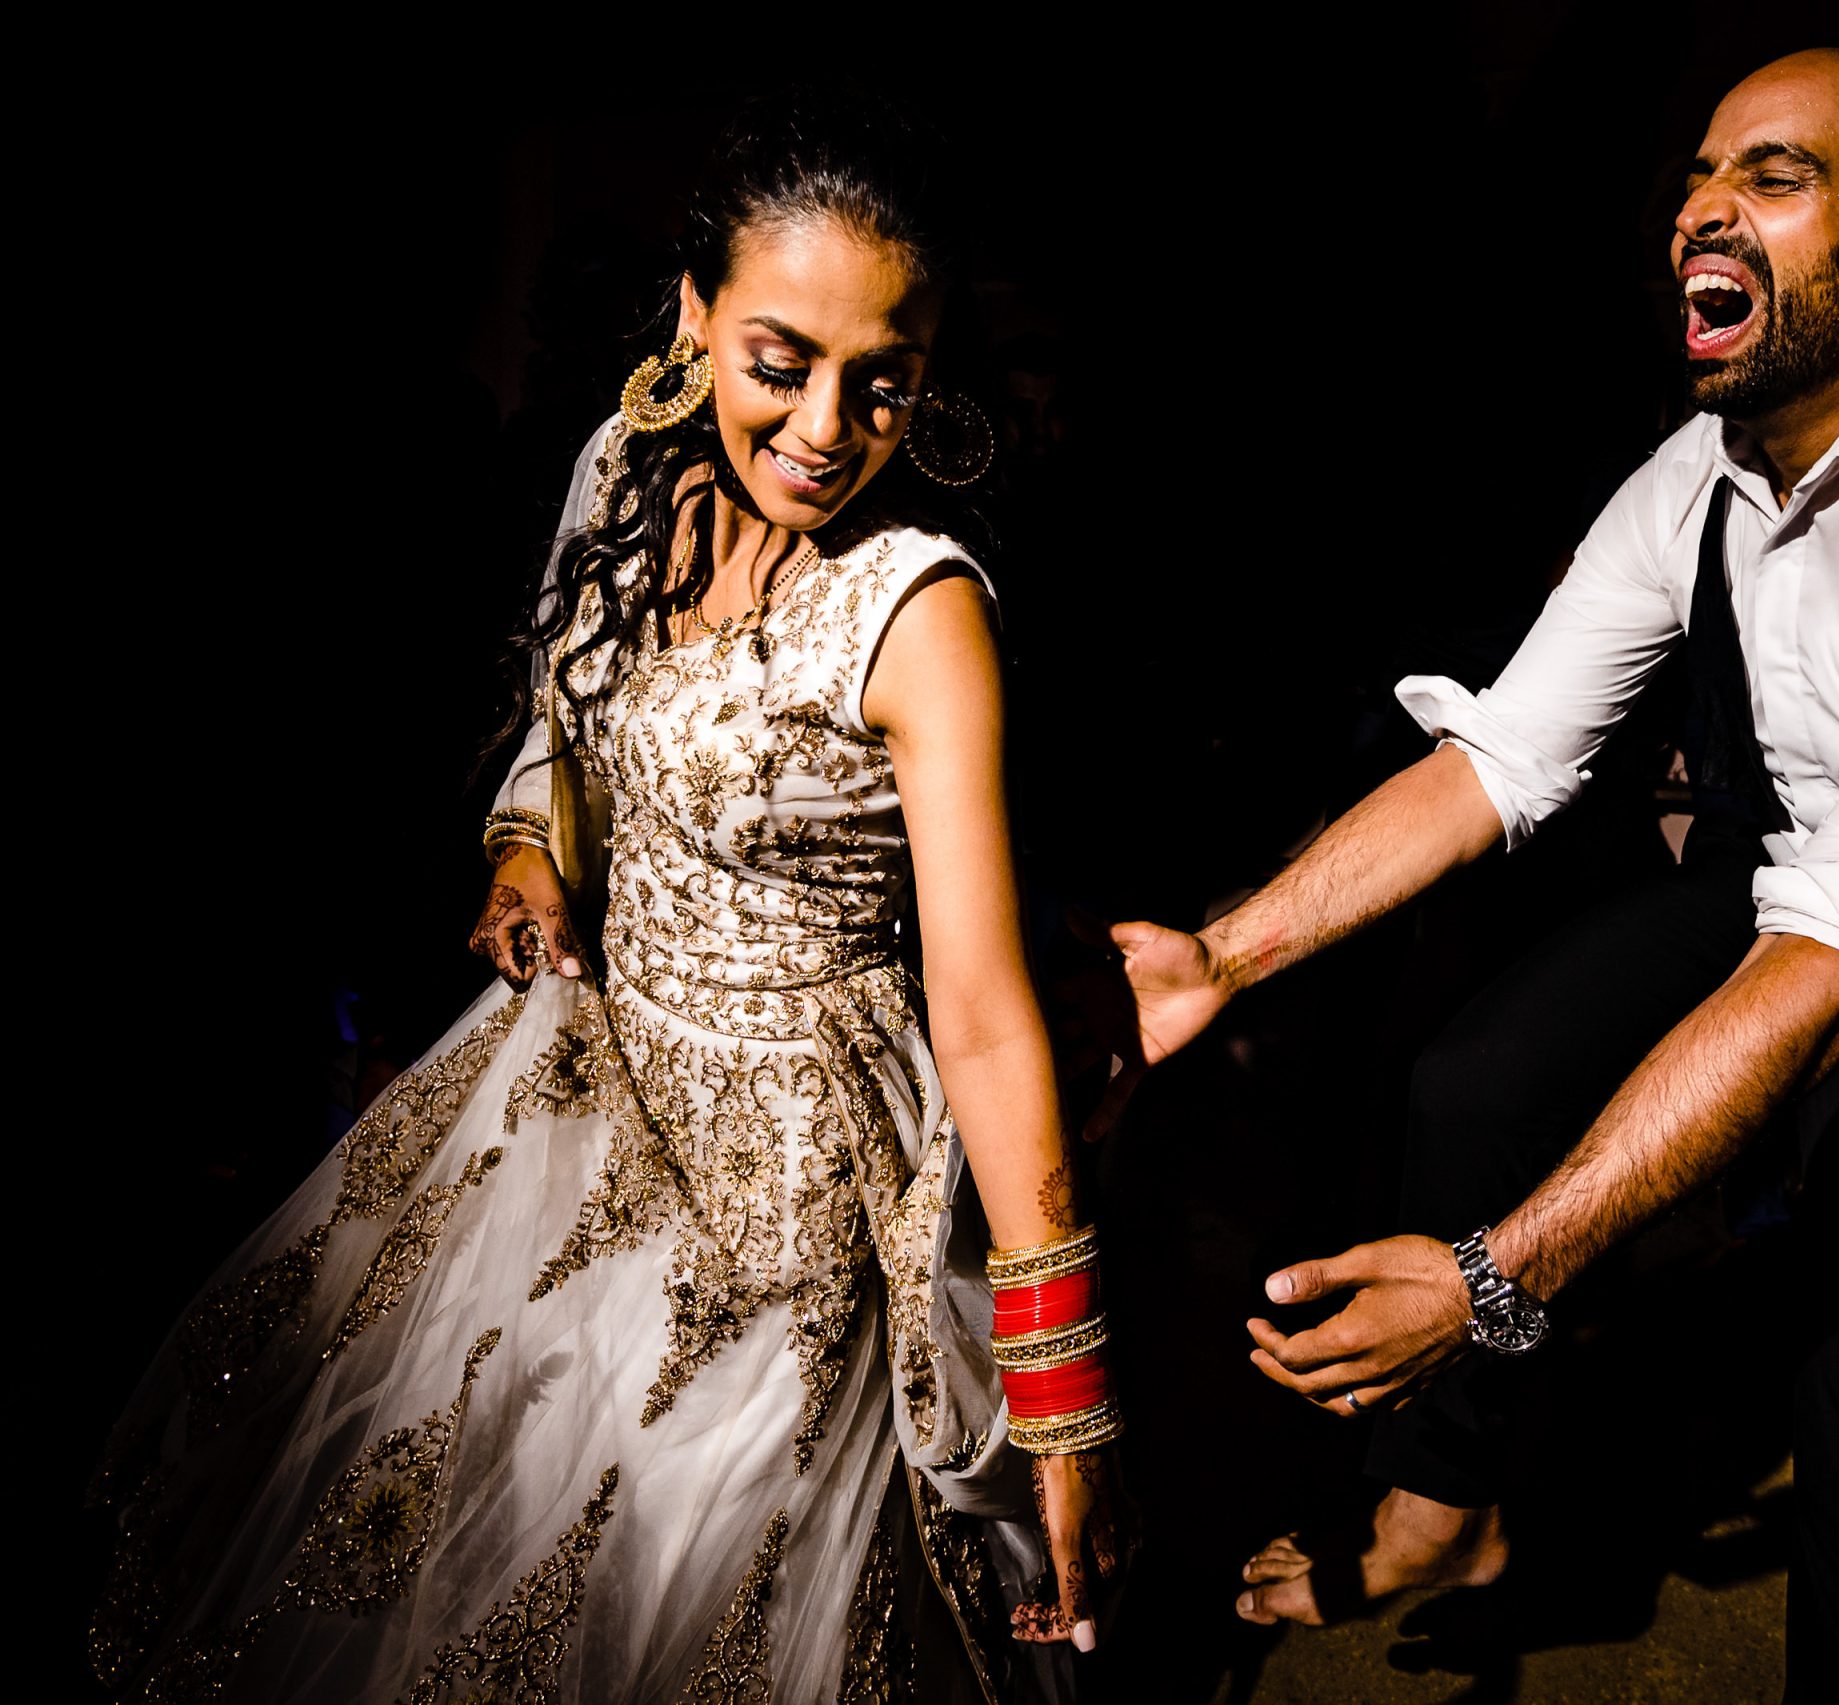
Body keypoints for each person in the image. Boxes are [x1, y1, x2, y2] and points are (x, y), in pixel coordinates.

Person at [1096, 48, 1839, 1698]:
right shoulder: (1694, 473)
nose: (1705, 205)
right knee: (1478, 1081)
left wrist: (1494, 1280)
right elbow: (1500, 760)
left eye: (1777, 175)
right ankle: (1445, 1509)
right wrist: (1222, 955)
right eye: (1701, 173)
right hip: (1800, 882)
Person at [89, 89, 1127, 1703]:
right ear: (696, 313)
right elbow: (563, 724)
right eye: (781, 362)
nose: (826, 428)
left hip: (791, 1195)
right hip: (581, 1104)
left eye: (884, 381)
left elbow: (985, 1020)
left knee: (688, 1564)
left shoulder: (919, 614)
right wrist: (530, 850)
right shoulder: (631, 474)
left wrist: (1061, 1398)